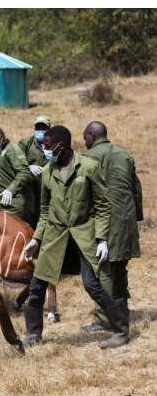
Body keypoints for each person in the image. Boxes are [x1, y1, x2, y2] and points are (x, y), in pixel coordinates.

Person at [22, 125, 130, 349]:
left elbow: (103, 206)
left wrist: (102, 239)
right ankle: (33, 334)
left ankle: (121, 330)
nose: (45, 149)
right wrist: (36, 240)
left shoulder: (88, 167)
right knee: (37, 284)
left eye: (48, 146)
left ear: (62, 146)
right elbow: (44, 210)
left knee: (92, 285)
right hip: (55, 236)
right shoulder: (47, 171)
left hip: (83, 236)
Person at [80, 121, 143, 332]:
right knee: (120, 268)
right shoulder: (125, 154)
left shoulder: (88, 157)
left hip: (105, 221)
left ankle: (105, 319)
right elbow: (136, 189)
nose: (84, 142)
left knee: (103, 270)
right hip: (127, 219)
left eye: (85, 138)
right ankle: (121, 309)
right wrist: (136, 218)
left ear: (92, 135)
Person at [19, 115, 51, 226]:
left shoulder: (55, 144)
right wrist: (29, 167)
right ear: (34, 128)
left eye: (44, 128)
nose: (41, 131)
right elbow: (17, 162)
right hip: (31, 189)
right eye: (38, 128)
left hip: (50, 187)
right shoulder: (25, 144)